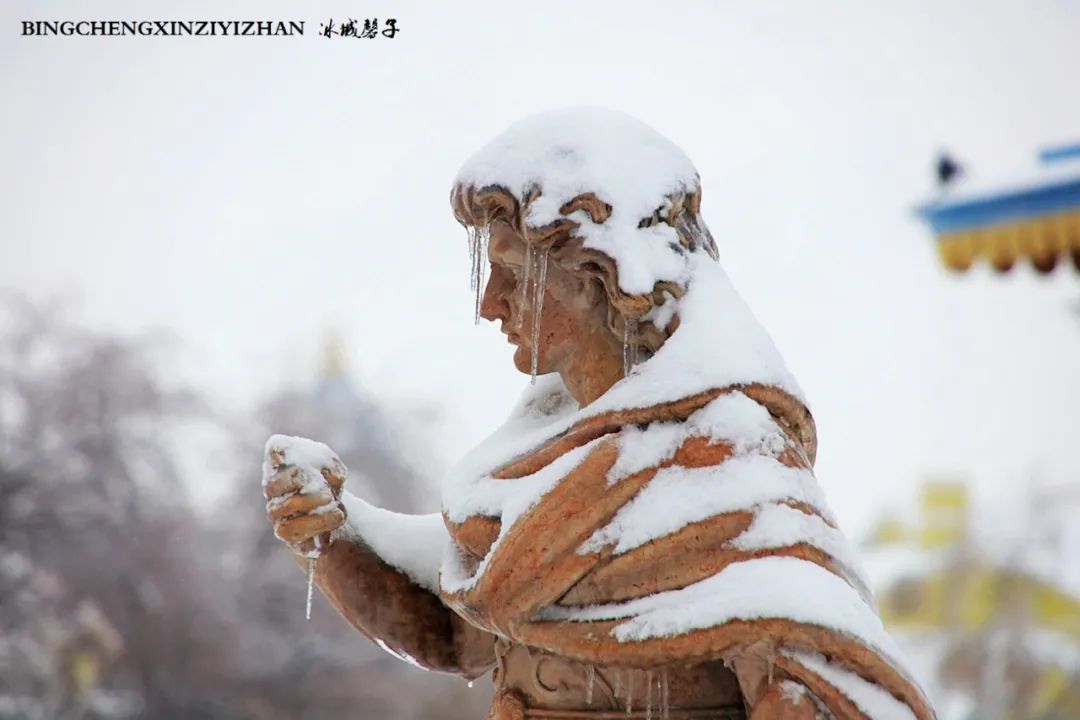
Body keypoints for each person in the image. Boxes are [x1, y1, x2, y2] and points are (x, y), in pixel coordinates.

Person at [262, 108, 935, 720]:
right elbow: (457, 636)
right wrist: (335, 538)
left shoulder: (726, 464)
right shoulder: (533, 461)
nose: (490, 303)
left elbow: (826, 683)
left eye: (514, 275)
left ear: (603, 277)